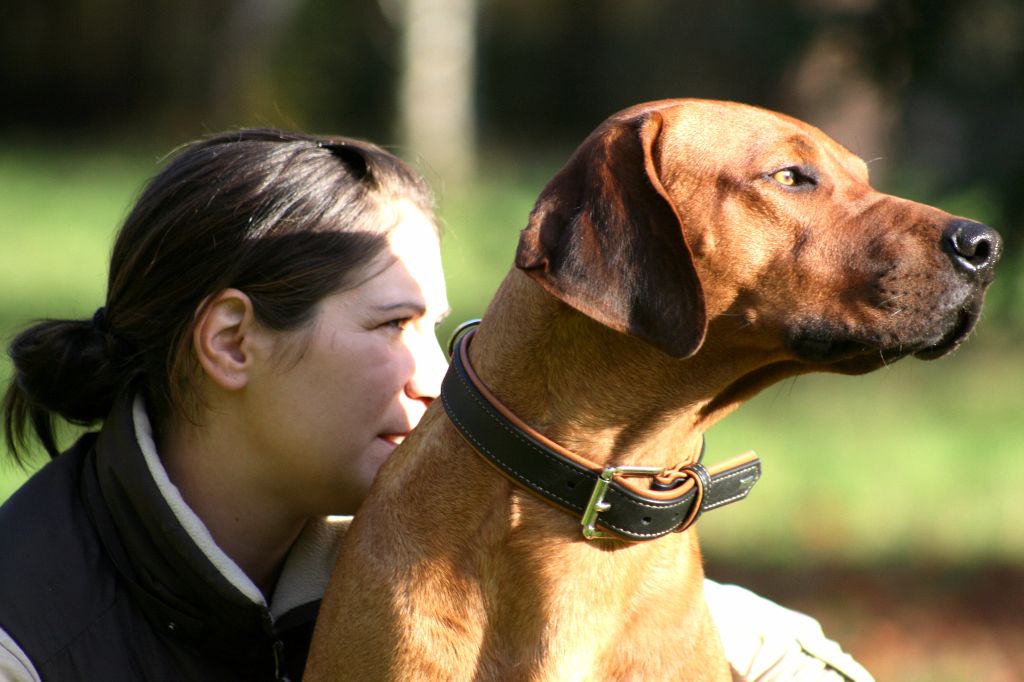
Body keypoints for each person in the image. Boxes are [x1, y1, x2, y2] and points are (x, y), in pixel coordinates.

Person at [0, 129, 871, 681]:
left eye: (440, 327)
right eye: (392, 325)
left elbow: (720, 636)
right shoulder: (26, 639)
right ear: (232, 341)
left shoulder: (413, 528)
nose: (437, 373)